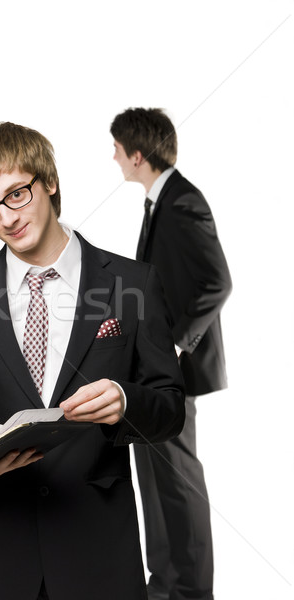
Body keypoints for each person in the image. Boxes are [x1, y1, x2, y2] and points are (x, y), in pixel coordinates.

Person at [0, 121, 186, 600]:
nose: (5, 217)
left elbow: (170, 408)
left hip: (97, 555)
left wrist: (126, 400)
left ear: (48, 180)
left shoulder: (133, 282)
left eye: (17, 194)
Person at [110, 107, 232, 600]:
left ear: (137, 155)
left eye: (117, 148)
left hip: (174, 371)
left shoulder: (182, 203)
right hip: (151, 371)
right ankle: (162, 585)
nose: (113, 156)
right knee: (156, 479)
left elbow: (217, 282)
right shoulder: (159, 202)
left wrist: (178, 343)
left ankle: (193, 591)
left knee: (180, 484)